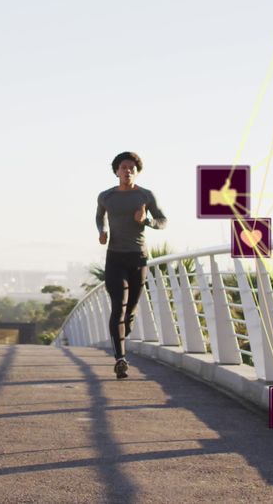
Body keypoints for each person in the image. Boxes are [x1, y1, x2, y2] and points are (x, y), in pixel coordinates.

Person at [95, 151, 167, 379]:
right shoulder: (106, 196)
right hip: (115, 257)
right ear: (116, 171)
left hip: (138, 258)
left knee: (131, 310)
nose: (127, 171)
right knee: (119, 305)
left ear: (137, 172)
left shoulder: (145, 195)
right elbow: (99, 217)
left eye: (132, 168)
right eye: (123, 167)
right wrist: (102, 231)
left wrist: (145, 220)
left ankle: (123, 341)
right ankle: (120, 359)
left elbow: (162, 221)